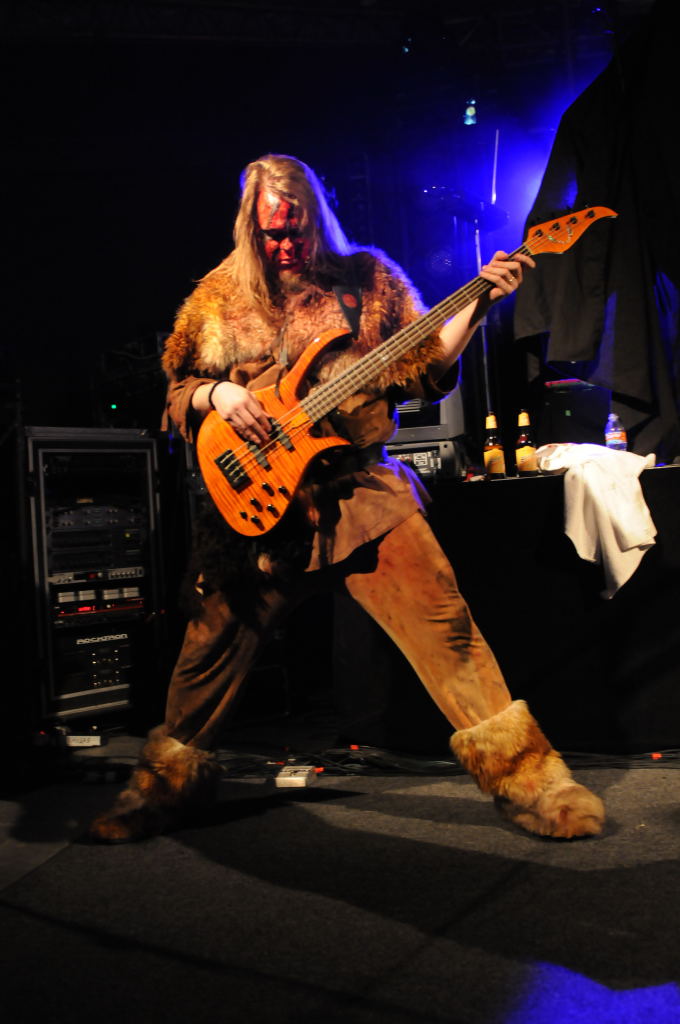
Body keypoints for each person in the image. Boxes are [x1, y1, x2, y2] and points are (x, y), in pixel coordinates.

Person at [89, 153, 604, 843]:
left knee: (446, 628)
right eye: (271, 233)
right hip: (259, 506)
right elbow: (177, 393)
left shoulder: (367, 281)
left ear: (316, 217)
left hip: (362, 495)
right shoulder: (217, 297)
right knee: (208, 647)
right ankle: (156, 792)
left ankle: (536, 785)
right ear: (249, 227)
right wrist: (218, 394)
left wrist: (480, 301)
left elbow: (424, 368)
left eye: (296, 229)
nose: (286, 245)